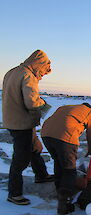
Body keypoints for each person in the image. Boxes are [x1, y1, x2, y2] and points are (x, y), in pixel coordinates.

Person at [2, 50, 54, 206]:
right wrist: (43, 105)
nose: (43, 75)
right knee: (20, 158)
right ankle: (14, 193)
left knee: (33, 148)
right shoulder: (28, 76)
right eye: (43, 71)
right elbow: (31, 102)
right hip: (21, 122)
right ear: (39, 64)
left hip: (11, 119)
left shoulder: (12, 71)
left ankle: (41, 175)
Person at [41, 103, 91, 215]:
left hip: (45, 134)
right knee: (69, 169)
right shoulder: (89, 112)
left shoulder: (65, 107)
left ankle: (59, 190)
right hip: (65, 136)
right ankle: (64, 203)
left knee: (58, 162)